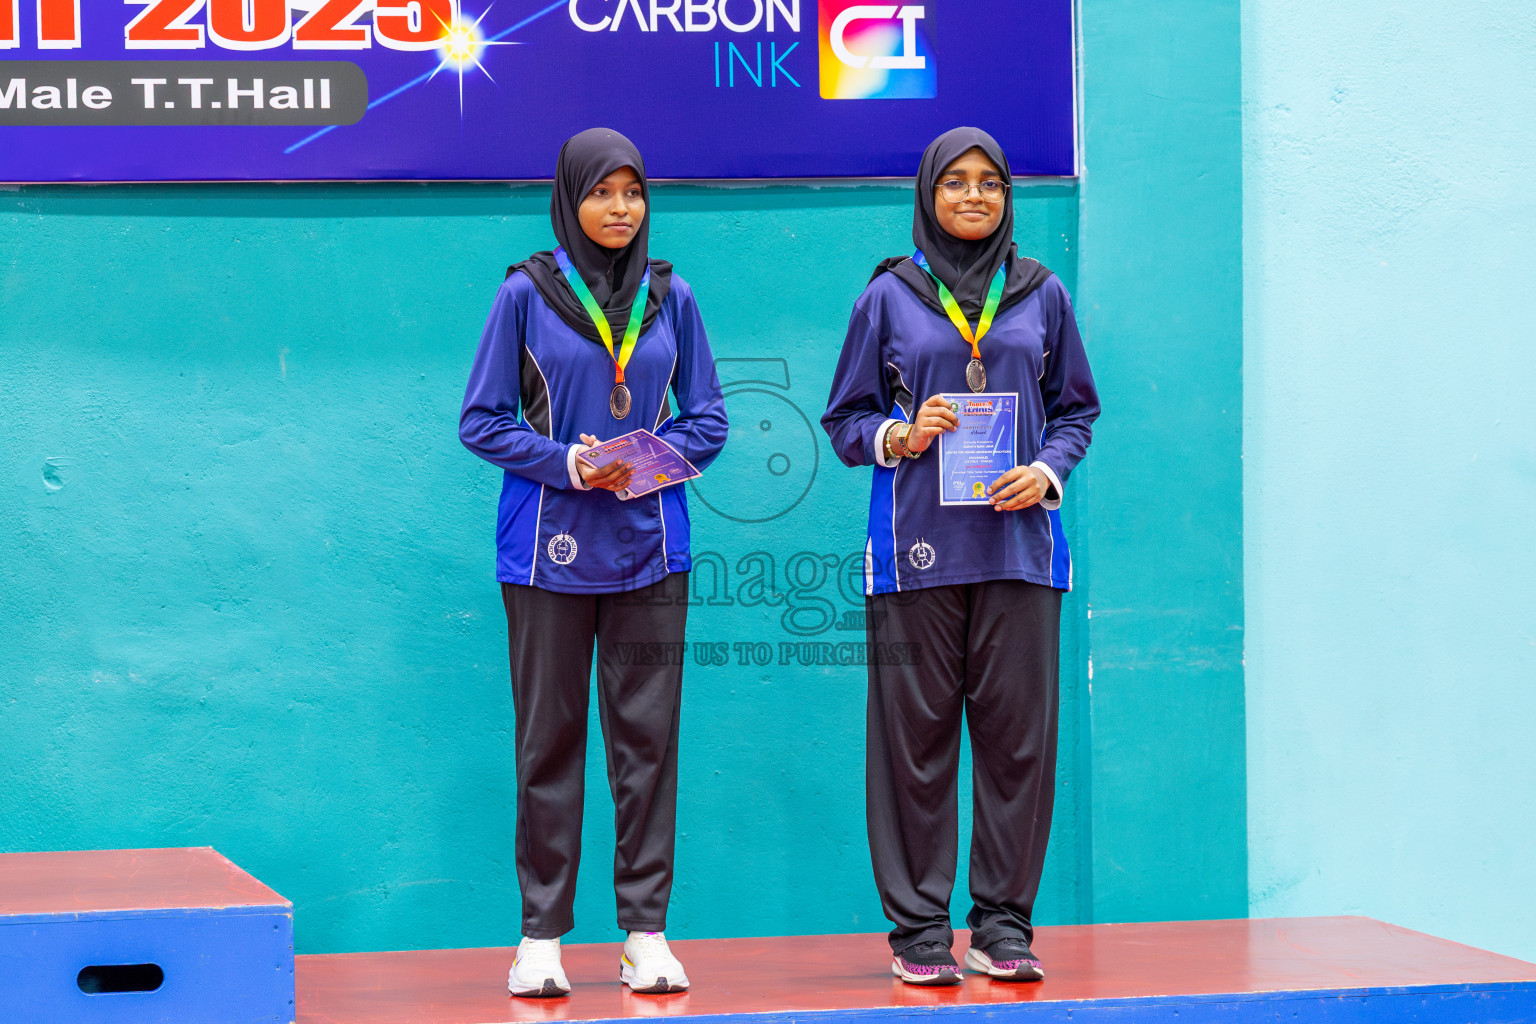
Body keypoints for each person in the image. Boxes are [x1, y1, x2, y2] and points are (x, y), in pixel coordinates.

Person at [821, 127, 1100, 986]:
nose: (974, 196)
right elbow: (845, 421)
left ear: (1007, 196)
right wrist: (902, 434)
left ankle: (1003, 927)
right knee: (916, 747)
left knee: (1019, 748)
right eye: (955, 182)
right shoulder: (889, 297)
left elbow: (1076, 411)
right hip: (916, 556)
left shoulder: (1042, 294)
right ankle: (919, 932)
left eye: (989, 183)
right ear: (928, 194)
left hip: (1020, 551)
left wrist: (1046, 472)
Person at [460, 128, 728, 998]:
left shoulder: (671, 297)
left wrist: (642, 460)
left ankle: (646, 933)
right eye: (601, 193)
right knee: (550, 742)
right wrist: (569, 464)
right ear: (569, 199)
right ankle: (540, 936)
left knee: (647, 745)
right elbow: (482, 421)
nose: (620, 209)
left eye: (633, 192)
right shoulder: (525, 296)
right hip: (547, 551)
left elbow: (709, 419)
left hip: (653, 548)